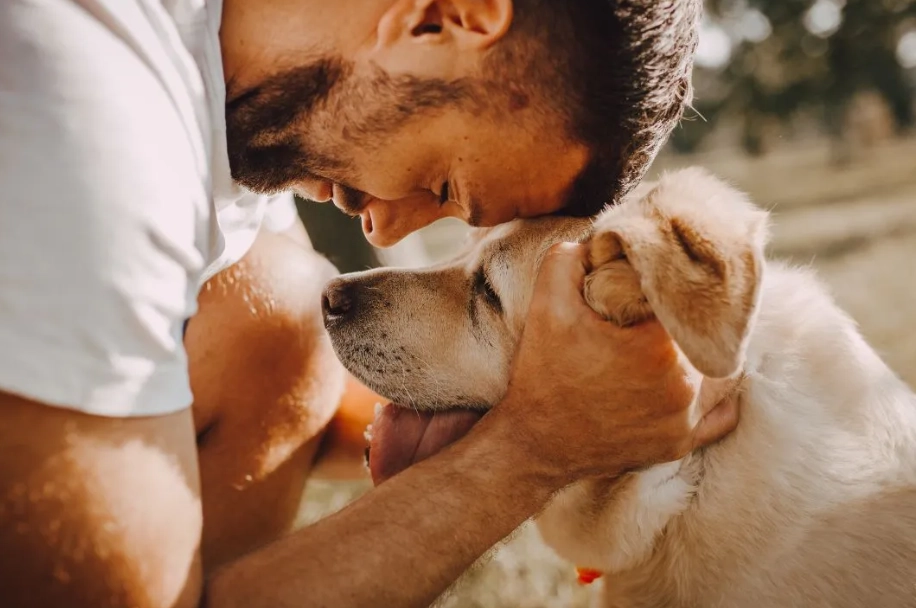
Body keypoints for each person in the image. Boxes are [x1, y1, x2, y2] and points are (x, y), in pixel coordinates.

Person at [0, 1, 738, 607]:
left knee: (276, 314)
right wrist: (535, 449)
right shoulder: (86, 103)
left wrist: (578, 394)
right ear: (444, 18)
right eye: (445, 185)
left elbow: (303, 391)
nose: (384, 225)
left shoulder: (205, 82)